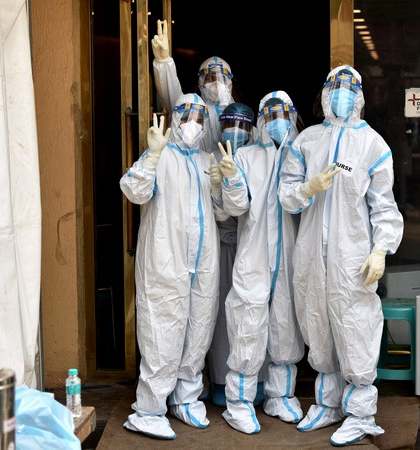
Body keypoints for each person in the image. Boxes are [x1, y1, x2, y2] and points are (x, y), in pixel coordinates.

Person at [278, 65, 404, 446]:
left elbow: (384, 207)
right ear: (324, 94)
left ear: (360, 96)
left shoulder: (373, 146)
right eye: (334, 87)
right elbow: (286, 195)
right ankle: (327, 403)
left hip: (353, 258)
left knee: (355, 328)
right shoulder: (307, 141)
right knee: (318, 324)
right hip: (312, 257)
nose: (341, 94)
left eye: (349, 88)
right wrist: (307, 188)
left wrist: (381, 249)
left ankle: (362, 413)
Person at [120, 94, 225, 439]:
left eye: (199, 117)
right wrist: (151, 155)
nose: (193, 123)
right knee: (162, 327)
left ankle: (186, 396)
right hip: (165, 260)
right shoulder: (160, 156)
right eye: (186, 116)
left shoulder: (208, 159)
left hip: (202, 262)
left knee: (199, 325)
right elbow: (134, 190)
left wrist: (224, 182)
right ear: (175, 119)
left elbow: (226, 211)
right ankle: (149, 409)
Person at [213, 91, 305, 434]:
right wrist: (232, 178)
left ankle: (280, 396)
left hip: (289, 256)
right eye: (271, 113)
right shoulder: (249, 156)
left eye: (284, 112)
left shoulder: (301, 152)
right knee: (248, 323)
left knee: (285, 325)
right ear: (262, 120)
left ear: (293, 116)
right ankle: (238, 403)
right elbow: (235, 208)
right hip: (253, 253)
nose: (278, 119)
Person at [207, 102, 261, 407]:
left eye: (242, 125)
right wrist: (219, 184)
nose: (236, 132)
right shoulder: (213, 158)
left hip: (253, 248)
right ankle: (219, 380)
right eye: (229, 124)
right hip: (223, 247)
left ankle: (258, 381)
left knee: (254, 316)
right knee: (220, 319)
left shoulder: (257, 157)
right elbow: (220, 210)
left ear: (252, 129)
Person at [152, 19, 235, 157]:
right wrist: (164, 62)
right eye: (210, 78)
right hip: (195, 171)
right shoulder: (192, 108)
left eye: (221, 78)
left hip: (229, 174)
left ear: (229, 83)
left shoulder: (238, 113)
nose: (216, 83)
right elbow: (170, 91)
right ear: (201, 82)